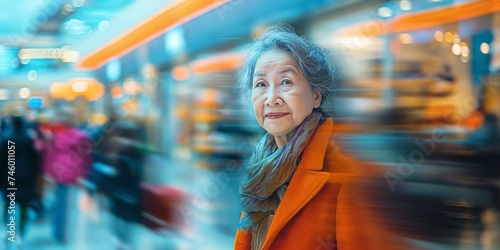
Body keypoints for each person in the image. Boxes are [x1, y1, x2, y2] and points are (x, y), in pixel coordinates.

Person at [233, 25, 408, 249]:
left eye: (286, 82)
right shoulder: (263, 169)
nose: (271, 98)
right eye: (261, 84)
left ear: (316, 95)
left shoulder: (351, 173)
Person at [0, 115, 42, 247]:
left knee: (9, 203)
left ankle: (8, 230)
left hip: (9, 176)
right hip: (25, 176)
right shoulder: (28, 139)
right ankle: (20, 234)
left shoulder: (6, 138)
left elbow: (2, 161)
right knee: (24, 204)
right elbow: (34, 160)